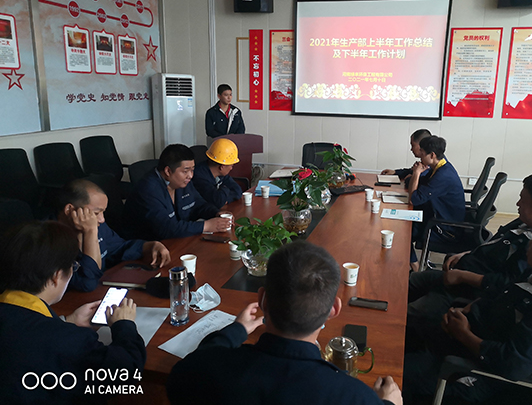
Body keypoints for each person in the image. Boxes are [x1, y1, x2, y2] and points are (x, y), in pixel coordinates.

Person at [166, 240, 403, 405]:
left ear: (262, 300)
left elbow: (190, 368)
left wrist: (236, 330)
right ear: (334, 310)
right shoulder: (355, 396)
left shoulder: (205, 372)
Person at [402, 218, 532, 405]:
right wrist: (468, 308)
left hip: (474, 373)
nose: (529, 243)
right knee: (399, 330)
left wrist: (463, 334)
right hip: (461, 337)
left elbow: (513, 364)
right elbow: (500, 292)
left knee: (394, 372)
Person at [0, 221, 146, 404]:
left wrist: (65, 322)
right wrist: (124, 325)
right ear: (55, 276)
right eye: (73, 267)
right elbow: (127, 371)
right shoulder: (68, 341)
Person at [407, 173, 532, 330]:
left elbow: (506, 283)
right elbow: (493, 244)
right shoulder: (524, 222)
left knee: (406, 314)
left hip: (467, 291)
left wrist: (462, 276)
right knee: (407, 281)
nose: (518, 203)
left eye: (523, 200)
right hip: (459, 274)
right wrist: (466, 254)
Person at [56, 179, 171, 292]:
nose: (102, 219)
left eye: (103, 212)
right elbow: (87, 283)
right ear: (69, 209)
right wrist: (90, 232)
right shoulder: (50, 240)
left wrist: (149, 246)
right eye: (96, 213)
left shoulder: (99, 226)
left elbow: (118, 248)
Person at [122, 144, 231, 241]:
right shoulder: (147, 190)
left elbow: (198, 204)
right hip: (147, 246)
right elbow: (166, 228)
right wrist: (206, 226)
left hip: (176, 240)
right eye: (185, 171)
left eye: (192, 170)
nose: (190, 176)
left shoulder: (181, 182)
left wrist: (215, 213)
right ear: (168, 171)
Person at [408, 136, 465, 272]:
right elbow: (418, 190)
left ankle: (416, 269)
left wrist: (416, 173)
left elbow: (413, 199)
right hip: (437, 218)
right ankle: (413, 265)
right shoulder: (440, 167)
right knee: (404, 226)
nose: (420, 157)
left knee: (403, 232)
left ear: (432, 155)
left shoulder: (443, 176)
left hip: (444, 229)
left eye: (422, 154)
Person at [192, 138, 242, 209]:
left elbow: (237, 190)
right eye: (231, 166)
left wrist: (225, 199)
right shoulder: (199, 177)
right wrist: (225, 189)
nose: (231, 168)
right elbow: (218, 201)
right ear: (222, 167)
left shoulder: (220, 173)